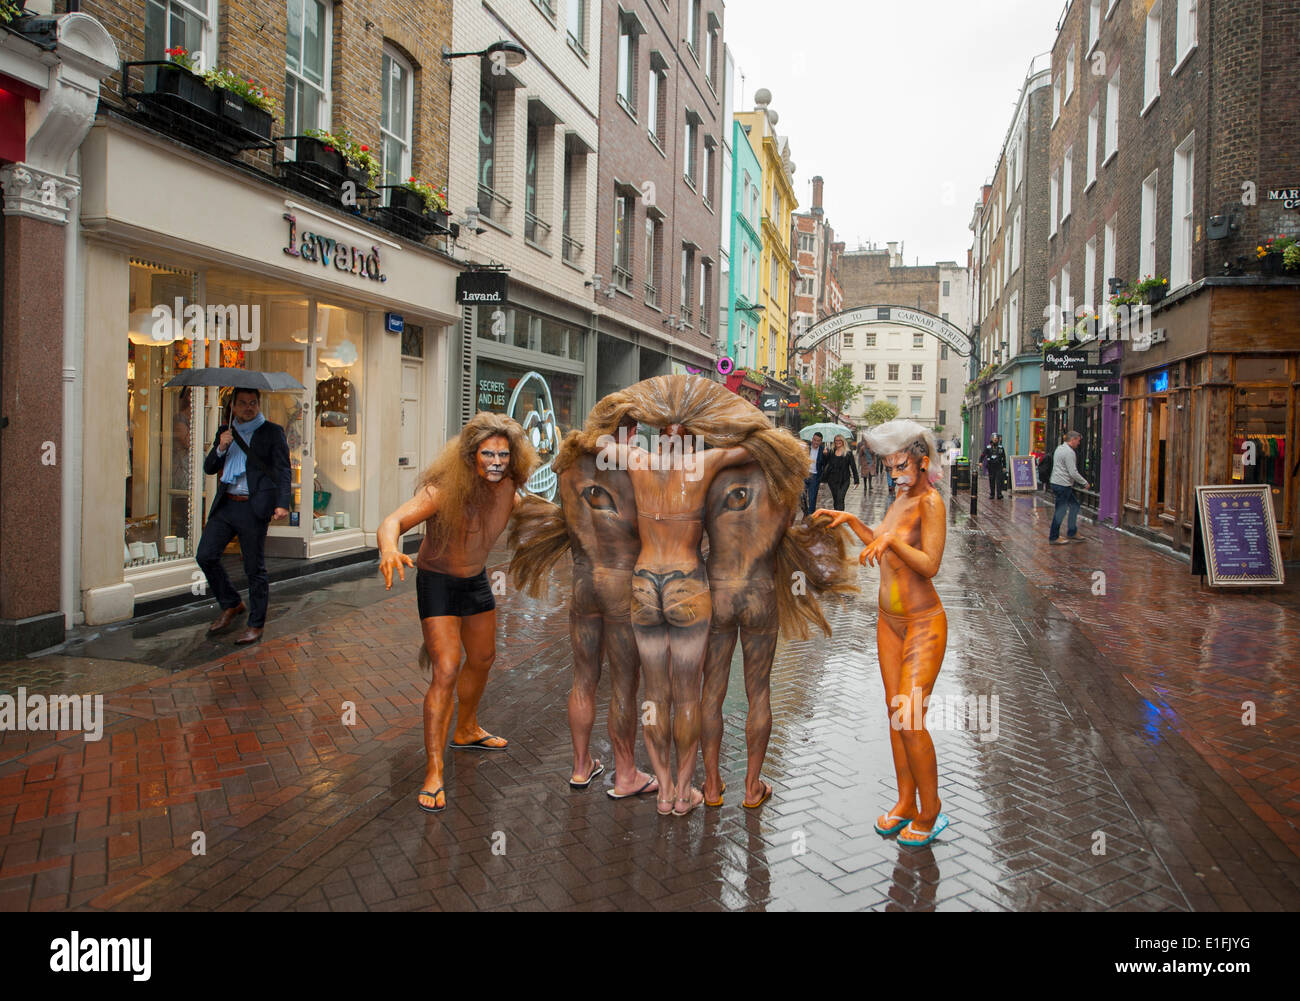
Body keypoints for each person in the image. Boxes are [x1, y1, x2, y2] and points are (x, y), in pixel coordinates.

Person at [377, 412, 539, 814]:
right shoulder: (443, 490)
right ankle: (433, 771)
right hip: (438, 584)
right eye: (488, 454)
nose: (497, 461)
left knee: (483, 659)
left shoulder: (511, 491)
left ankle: (466, 729)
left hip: (475, 582)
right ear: (471, 456)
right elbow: (393, 521)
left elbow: (540, 512)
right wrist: (388, 549)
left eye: (503, 454)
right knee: (447, 669)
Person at [598, 424, 752, 815]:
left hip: (645, 584)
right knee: (687, 695)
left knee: (653, 694)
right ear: (692, 438)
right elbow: (754, 446)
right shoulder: (704, 461)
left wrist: (626, 437)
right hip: (687, 583)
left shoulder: (637, 460)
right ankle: (685, 792)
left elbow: (598, 444)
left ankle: (663, 790)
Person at [815, 419, 950, 847]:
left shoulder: (930, 503)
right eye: (889, 468)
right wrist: (852, 519)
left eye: (900, 467)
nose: (894, 476)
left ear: (922, 461)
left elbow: (929, 564)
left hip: (923, 623)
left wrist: (890, 544)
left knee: (910, 717)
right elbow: (879, 539)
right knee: (896, 718)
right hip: (887, 623)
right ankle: (905, 802)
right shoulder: (899, 498)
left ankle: (931, 811)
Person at [196, 387, 291, 645]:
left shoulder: (272, 432)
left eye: (253, 403)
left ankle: (255, 624)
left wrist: (283, 503)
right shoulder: (225, 432)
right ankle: (232, 603)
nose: (248, 408)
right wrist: (220, 447)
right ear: (233, 407)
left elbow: (283, 470)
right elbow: (209, 468)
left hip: (254, 506)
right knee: (205, 555)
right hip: (227, 504)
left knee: (253, 567)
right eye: (242, 404)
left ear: (258, 405)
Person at [1049, 430, 1089, 545]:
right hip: (1063, 485)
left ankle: (1072, 532)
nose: (1079, 443)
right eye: (1078, 441)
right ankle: (1054, 537)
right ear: (1073, 440)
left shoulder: (1059, 448)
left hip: (1058, 482)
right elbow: (1073, 472)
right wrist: (1084, 483)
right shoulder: (1069, 452)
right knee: (1060, 511)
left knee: (1075, 506)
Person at [822, 434, 860, 511]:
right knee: (836, 499)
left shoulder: (848, 453)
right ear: (834, 442)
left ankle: (840, 517)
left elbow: (853, 467)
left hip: (844, 480)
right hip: (832, 480)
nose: (838, 442)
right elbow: (825, 463)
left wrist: (856, 481)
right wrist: (825, 455)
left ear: (843, 442)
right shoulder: (831, 452)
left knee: (840, 498)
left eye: (839, 440)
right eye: (836, 440)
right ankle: (837, 516)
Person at [803, 431, 829, 515]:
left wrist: (825, 456)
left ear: (821, 442)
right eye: (814, 440)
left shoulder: (823, 450)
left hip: (815, 477)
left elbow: (825, 464)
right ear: (812, 440)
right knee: (801, 497)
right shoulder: (806, 448)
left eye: (818, 441)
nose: (816, 442)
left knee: (812, 499)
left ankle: (811, 517)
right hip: (804, 475)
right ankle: (805, 512)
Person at [979, 433, 1007, 500]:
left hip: (998, 466)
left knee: (999, 480)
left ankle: (999, 494)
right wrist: (980, 462)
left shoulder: (1000, 448)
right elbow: (983, 455)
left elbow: (1004, 457)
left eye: (996, 439)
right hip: (991, 466)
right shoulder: (988, 447)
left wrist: (1004, 466)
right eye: (994, 439)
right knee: (992, 480)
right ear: (991, 439)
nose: (995, 440)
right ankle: (992, 494)